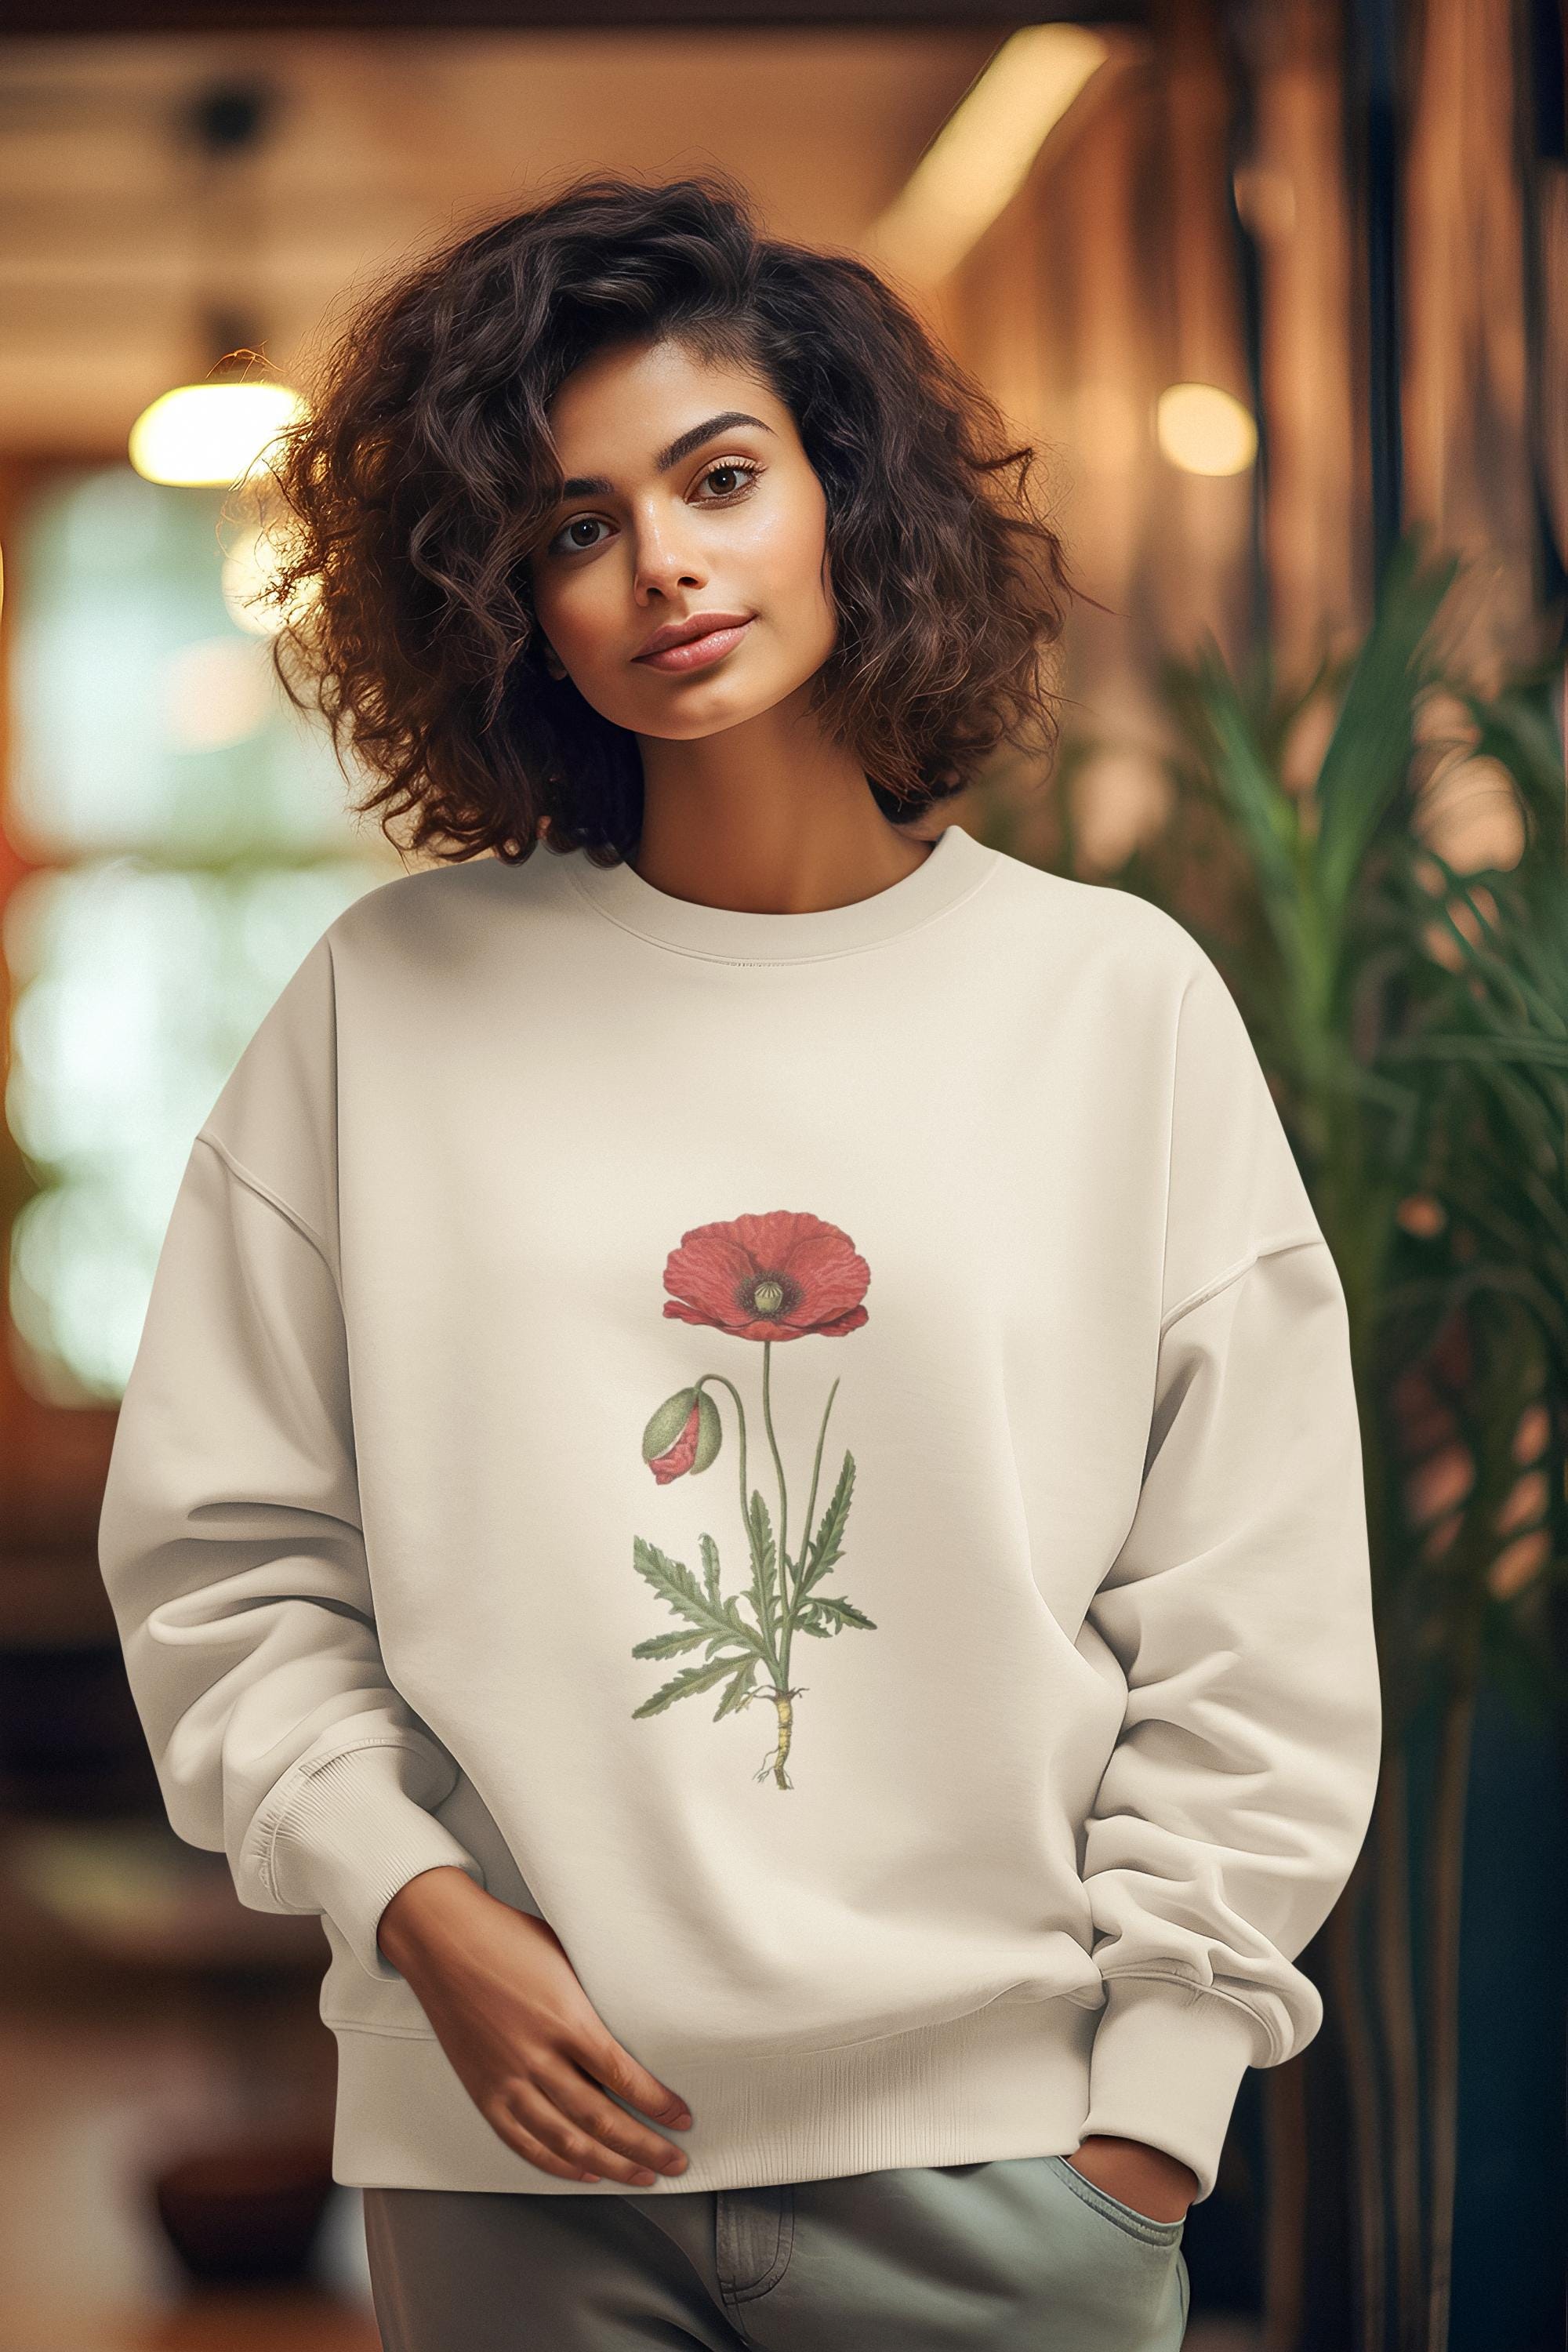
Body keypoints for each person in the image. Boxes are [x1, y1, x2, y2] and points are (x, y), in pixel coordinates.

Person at [96, 172, 1382, 2352]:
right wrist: (415, 1912)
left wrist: (1146, 2126)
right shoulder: (387, 1004)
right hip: (513, 2169)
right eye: (574, 524)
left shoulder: (1112, 1002)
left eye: (719, 479)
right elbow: (228, 1563)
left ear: (847, 502)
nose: (661, 565)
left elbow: (1250, 1606)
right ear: (502, 593)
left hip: (1014, 2178)